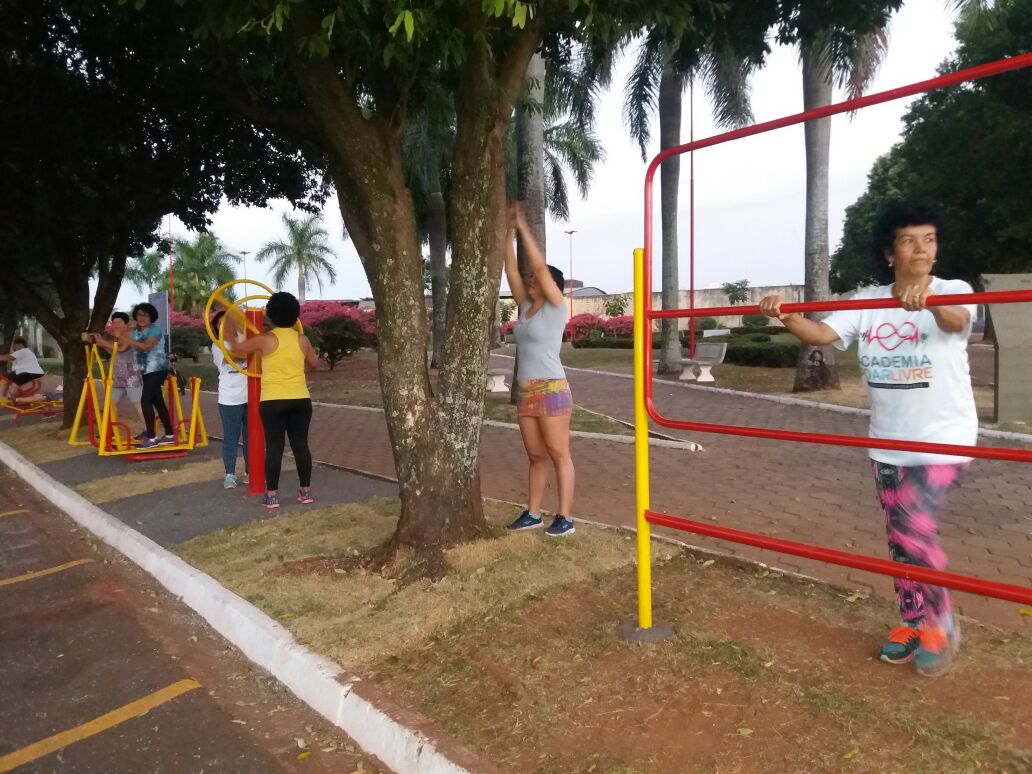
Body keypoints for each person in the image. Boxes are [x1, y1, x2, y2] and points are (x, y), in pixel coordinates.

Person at [760, 200, 976, 677]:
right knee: (900, 539)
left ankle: (940, 622)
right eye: (909, 240)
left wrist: (930, 302)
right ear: (889, 252)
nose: (921, 249)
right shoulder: (870, 299)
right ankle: (913, 620)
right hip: (888, 441)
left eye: (929, 240)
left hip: (945, 438)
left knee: (915, 528)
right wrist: (785, 315)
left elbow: (958, 321)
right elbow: (821, 333)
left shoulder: (953, 290)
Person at [502, 203, 576, 537]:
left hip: (552, 389)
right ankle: (533, 514)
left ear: (551, 287)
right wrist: (508, 233)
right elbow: (511, 271)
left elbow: (540, 269)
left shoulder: (556, 308)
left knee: (559, 454)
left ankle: (565, 518)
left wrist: (522, 227)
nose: (530, 280)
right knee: (536, 456)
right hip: (527, 390)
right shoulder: (526, 307)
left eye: (536, 279)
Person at [223, 292, 322, 509]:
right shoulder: (302, 339)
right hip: (300, 399)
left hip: (273, 400)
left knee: (275, 447)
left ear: (270, 314)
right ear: (295, 315)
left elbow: (236, 350)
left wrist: (229, 324)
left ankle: (272, 496)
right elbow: (315, 364)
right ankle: (306, 491)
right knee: (301, 445)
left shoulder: (265, 339)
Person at [120, 302, 176, 447]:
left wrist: (128, 339)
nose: (142, 318)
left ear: (151, 317)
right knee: (158, 402)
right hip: (145, 371)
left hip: (157, 369)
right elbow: (121, 347)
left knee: (145, 400)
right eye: (139, 315)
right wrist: (101, 341)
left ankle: (151, 438)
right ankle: (170, 434)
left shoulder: (155, 330)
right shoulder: (135, 332)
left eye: (146, 315)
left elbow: (146, 347)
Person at [83, 312, 146, 433]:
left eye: (119, 322)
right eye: (114, 322)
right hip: (118, 374)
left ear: (126, 324)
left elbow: (121, 348)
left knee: (138, 404)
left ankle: (149, 431)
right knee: (111, 403)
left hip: (131, 374)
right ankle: (112, 432)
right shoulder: (117, 336)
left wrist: (104, 341)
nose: (116, 325)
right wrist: (93, 340)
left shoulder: (131, 333)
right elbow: (112, 350)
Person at [210, 309, 249, 489]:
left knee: (251, 438)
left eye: (227, 321)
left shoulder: (244, 337)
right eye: (220, 324)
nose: (224, 326)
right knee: (231, 438)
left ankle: (250, 471)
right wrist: (251, 349)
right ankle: (230, 474)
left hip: (251, 396)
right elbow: (233, 357)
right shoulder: (217, 345)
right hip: (230, 398)